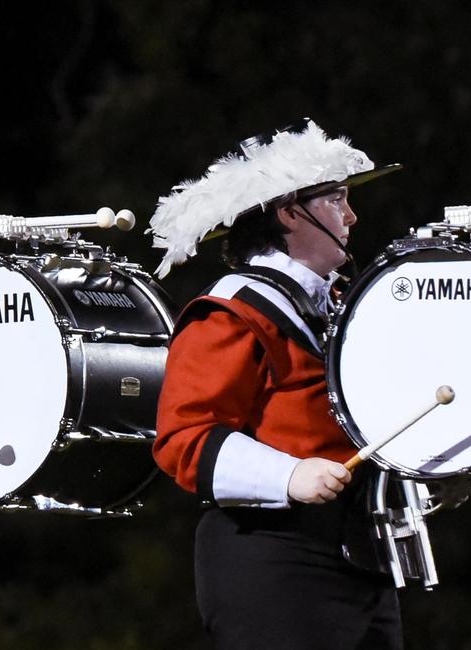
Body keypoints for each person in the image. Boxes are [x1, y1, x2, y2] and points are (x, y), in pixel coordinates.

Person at [147, 119, 403, 649]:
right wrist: (288, 474)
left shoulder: (338, 304)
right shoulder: (231, 311)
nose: (352, 215)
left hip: (363, 552)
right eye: (336, 199)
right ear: (289, 211)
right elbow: (184, 441)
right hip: (273, 556)